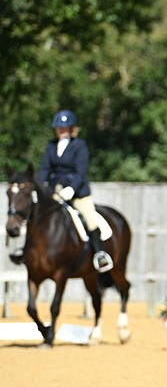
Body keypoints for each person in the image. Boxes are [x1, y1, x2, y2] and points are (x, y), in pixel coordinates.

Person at [35, 110, 114, 272]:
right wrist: (37, 186)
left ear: (72, 129)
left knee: (89, 218)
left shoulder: (80, 146)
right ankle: (28, 250)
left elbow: (81, 171)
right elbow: (44, 168)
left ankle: (100, 254)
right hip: (54, 191)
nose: (62, 131)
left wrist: (71, 188)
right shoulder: (51, 146)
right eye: (59, 128)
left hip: (77, 192)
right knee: (37, 214)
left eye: (65, 128)